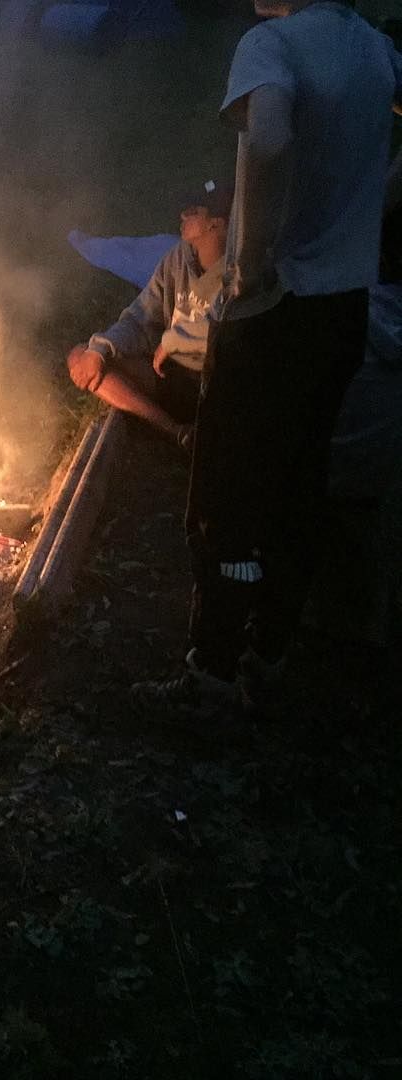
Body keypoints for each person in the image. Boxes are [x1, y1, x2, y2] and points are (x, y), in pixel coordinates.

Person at [133, 0, 402, 715]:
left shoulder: (270, 43)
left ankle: (212, 675)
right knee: (298, 482)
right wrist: (375, 205)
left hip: (272, 309)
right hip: (343, 307)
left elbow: (274, 141)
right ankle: (269, 652)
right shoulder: (376, 50)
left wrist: (253, 263)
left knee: (224, 494)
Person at [66, 180, 233, 450]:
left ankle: (196, 434)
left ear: (215, 224)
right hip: (168, 376)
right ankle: (177, 433)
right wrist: (99, 351)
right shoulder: (177, 259)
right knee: (80, 356)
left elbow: (227, 336)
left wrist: (172, 342)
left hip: (212, 389)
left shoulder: (236, 274)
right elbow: (141, 317)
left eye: (193, 212)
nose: (182, 215)